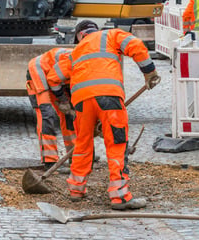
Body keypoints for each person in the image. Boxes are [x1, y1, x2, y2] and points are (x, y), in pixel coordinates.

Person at [50, 20, 161, 210]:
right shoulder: (111, 35)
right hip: (109, 97)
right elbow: (135, 46)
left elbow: (53, 78)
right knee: (116, 144)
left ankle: (76, 190)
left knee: (82, 144)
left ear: (79, 36)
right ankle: (119, 196)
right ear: (95, 30)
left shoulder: (74, 53)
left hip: (82, 103)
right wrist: (149, 72)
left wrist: (64, 100)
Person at [26, 48, 76, 170]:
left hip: (59, 78)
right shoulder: (72, 61)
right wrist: (63, 100)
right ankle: (50, 161)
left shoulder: (91, 68)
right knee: (46, 114)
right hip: (39, 73)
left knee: (70, 115)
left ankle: (75, 155)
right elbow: (53, 80)